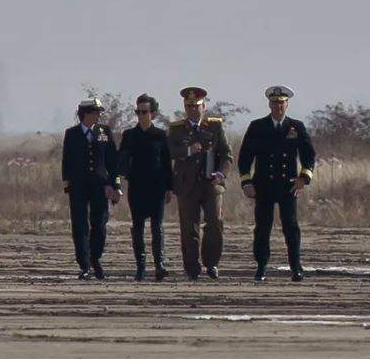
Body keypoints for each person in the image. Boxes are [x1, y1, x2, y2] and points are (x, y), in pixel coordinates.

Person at [238, 85, 315, 282]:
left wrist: (303, 178)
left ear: (287, 104)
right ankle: (261, 267)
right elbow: (245, 157)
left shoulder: (296, 127)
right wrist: (246, 182)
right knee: (262, 227)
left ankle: (296, 268)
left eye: (281, 103)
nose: (278, 106)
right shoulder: (257, 126)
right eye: (274, 103)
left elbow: (308, 155)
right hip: (263, 185)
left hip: (287, 186)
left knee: (291, 227)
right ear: (269, 104)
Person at [166, 85, 232, 280]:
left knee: (215, 223)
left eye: (196, 106)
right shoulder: (177, 129)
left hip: (211, 184)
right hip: (187, 185)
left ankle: (211, 263)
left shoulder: (215, 126)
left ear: (204, 107)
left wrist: (221, 173)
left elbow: (227, 155)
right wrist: (187, 151)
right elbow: (168, 151)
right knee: (189, 228)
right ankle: (192, 268)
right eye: (189, 106)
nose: (193, 110)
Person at [61, 98, 121, 279]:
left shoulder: (105, 132)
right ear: (85, 113)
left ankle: (95, 258)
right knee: (80, 226)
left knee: (100, 224)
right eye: (95, 112)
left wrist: (115, 184)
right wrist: (67, 184)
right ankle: (84, 264)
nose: (98, 115)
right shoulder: (71, 134)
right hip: (78, 186)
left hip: (100, 186)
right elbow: (67, 161)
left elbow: (113, 161)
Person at [118, 94, 172, 281]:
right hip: (137, 187)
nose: (140, 115)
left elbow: (167, 163)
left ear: (153, 113)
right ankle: (140, 267)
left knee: (157, 227)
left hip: (157, 187)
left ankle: (160, 265)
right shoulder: (129, 135)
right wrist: (119, 178)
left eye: (144, 111)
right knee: (138, 227)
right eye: (138, 111)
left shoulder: (161, 135)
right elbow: (122, 161)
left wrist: (169, 188)